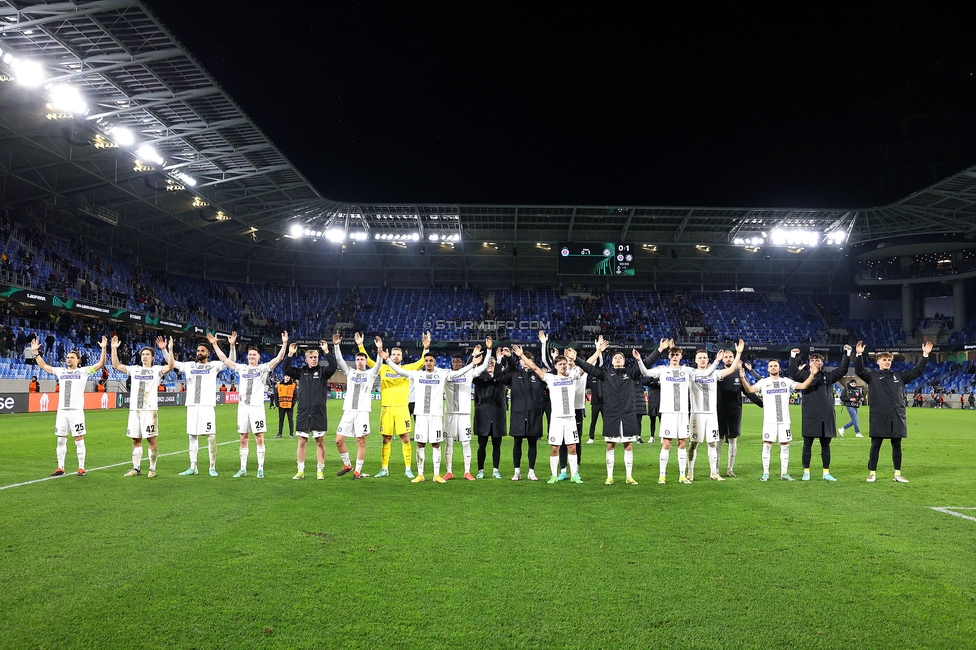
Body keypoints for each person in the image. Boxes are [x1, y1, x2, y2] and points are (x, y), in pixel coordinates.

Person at [382, 347, 487, 483]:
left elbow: (457, 373)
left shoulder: (442, 374)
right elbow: (401, 371)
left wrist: (472, 364)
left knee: (436, 444)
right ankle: (420, 474)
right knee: (420, 443)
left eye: (431, 360)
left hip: (436, 416)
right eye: (426, 360)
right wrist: (388, 360)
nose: (428, 363)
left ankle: (436, 474)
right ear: (424, 362)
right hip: (421, 416)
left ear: (435, 362)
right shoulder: (417, 374)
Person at [210, 332, 288, 478]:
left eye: (254, 355)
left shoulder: (263, 368)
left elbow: (279, 358)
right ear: (247, 357)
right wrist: (215, 344)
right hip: (243, 408)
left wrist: (284, 343)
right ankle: (243, 469)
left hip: (256, 408)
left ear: (259, 357)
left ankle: (260, 468)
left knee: (259, 437)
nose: (252, 357)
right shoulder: (242, 368)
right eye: (250, 355)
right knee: (243, 438)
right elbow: (225, 360)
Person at [854, 340, 931, 483]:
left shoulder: (899, 376)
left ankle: (897, 474)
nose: (887, 362)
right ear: (878, 362)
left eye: (889, 360)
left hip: (896, 416)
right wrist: (859, 354)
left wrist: (925, 355)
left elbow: (917, 371)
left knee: (897, 446)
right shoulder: (872, 376)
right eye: (884, 360)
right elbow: (859, 371)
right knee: (875, 445)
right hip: (879, 417)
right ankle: (872, 473)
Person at [357, 332, 431, 478]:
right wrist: (360, 345)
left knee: (405, 437)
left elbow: (422, 362)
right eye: (393, 354)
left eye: (398, 355)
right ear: (389, 356)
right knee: (386, 439)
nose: (396, 356)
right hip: (387, 408)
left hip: (402, 408)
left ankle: (408, 469)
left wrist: (426, 347)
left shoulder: (408, 369)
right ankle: (384, 469)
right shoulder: (383, 369)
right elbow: (369, 362)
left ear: (402, 358)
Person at [32, 336, 107, 476]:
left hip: (76, 411)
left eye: (72, 357)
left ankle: (81, 467)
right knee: (61, 439)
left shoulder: (83, 371)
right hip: (62, 411)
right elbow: (43, 366)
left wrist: (103, 348)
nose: (68, 359)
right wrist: (36, 352)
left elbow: (101, 364)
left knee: (78, 439)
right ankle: (60, 467)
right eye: (67, 357)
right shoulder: (61, 371)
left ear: (78, 360)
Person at [576, 336, 644, 485]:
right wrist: (576, 359)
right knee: (610, 445)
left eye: (620, 358)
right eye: (615, 358)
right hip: (612, 415)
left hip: (628, 414)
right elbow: (589, 368)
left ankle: (629, 476)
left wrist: (657, 351)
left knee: (628, 445)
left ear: (624, 361)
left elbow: (648, 364)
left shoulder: (631, 372)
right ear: (611, 361)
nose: (618, 359)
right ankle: (610, 476)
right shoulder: (605, 374)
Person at [513, 345, 583, 484]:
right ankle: (553, 475)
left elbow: (586, 367)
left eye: (565, 364)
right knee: (555, 447)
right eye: (560, 364)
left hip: (570, 418)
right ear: (556, 366)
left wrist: (598, 351)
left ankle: (574, 474)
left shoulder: (572, 377)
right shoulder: (550, 378)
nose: (563, 366)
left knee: (572, 447)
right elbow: (534, 368)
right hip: (556, 419)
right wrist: (522, 356)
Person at [168, 333, 235, 477]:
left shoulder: (213, 365)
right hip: (192, 405)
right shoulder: (189, 366)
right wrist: (167, 349)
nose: (199, 353)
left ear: (208, 354)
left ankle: (212, 467)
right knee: (192, 436)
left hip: (207, 406)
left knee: (211, 436)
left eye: (202, 351)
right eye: (198, 351)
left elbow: (231, 361)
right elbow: (172, 364)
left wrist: (231, 346)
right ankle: (193, 467)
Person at [739, 358, 815, 481]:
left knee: (785, 446)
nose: (773, 367)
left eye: (775, 365)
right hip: (769, 421)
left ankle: (784, 473)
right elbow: (749, 390)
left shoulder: (786, 381)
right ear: (768, 369)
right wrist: (743, 378)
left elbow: (804, 385)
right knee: (767, 445)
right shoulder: (763, 382)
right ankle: (765, 473)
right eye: (771, 366)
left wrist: (812, 374)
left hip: (784, 420)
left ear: (779, 368)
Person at [111, 335, 175, 478]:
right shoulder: (134, 369)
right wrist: (114, 348)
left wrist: (169, 349)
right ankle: (136, 468)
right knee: (136, 439)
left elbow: (171, 366)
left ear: (152, 357)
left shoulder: (157, 370)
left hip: (149, 409)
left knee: (151, 440)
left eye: (147, 355)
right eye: (143, 354)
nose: (145, 357)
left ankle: (152, 468)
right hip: (135, 410)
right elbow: (116, 365)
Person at [788, 346, 852, 481]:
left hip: (826, 416)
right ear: (809, 363)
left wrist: (847, 354)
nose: (815, 361)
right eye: (812, 359)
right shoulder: (804, 376)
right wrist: (793, 356)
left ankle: (826, 473)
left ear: (822, 363)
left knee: (825, 445)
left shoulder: (827, 376)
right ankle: (806, 472)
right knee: (807, 445)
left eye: (817, 359)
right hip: (810, 415)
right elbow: (793, 373)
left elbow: (842, 370)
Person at [688, 340, 745, 482]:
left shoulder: (715, 373)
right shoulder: (690, 373)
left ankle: (713, 472)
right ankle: (689, 472)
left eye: (704, 357)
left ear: (708, 360)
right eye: (700, 358)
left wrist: (738, 353)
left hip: (712, 415)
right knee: (693, 444)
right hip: (696, 414)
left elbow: (731, 370)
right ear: (695, 360)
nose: (702, 360)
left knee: (712, 443)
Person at [331, 333, 385, 479]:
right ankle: (347, 464)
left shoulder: (370, 374)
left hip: (362, 412)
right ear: (355, 361)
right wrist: (336, 346)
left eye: (362, 359)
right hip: (348, 411)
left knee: (361, 441)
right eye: (358, 359)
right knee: (338, 440)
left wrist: (379, 349)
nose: (360, 361)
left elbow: (379, 364)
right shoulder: (350, 372)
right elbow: (340, 360)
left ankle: (358, 471)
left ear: (366, 361)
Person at [283, 339, 337, 480]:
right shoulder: (301, 372)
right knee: (301, 441)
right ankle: (300, 471)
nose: (313, 359)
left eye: (315, 357)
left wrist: (326, 351)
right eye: (311, 357)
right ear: (306, 359)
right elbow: (286, 369)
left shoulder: (323, 372)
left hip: (318, 412)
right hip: (304, 412)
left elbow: (333, 366)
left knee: (319, 441)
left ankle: (320, 470)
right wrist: (289, 354)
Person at [443, 339, 492, 480]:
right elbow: (459, 372)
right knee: (449, 442)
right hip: (450, 414)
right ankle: (449, 471)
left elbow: (483, 367)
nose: (456, 364)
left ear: (462, 363)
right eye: (454, 362)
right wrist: (472, 362)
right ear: (451, 364)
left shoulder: (468, 374)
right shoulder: (447, 375)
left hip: (464, 415)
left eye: (459, 362)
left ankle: (467, 471)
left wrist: (488, 351)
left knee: (466, 442)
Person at [501, 343, 546, 481]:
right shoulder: (514, 374)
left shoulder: (538, 374)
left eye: (528, 360)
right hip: (518, 414)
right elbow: (503, 375)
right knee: (517, 443)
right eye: (523, 360)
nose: (525, 363)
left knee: (532, 443)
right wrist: (509, 357)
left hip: (534, 414)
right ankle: (517, 471)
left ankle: (531, 471)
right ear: (520, 361)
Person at [716, 352, 763, 477]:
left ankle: (730, 469)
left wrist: (762, 404)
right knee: (718, 440)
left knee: (732, 440)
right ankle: (715, 468)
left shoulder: (740, 374)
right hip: (719, 411)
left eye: (730, 356)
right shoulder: (717, 373)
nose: (728, 359)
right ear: (722, 359)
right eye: (725, 357)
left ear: (734, 358)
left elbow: (749, 392)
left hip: (734, 412)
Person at [472, 346, 509, 478]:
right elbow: (469, 372)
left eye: (493, 363)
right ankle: (480, 470)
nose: (491, 365)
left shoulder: (501, 376)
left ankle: (495, 469)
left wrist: (500, 360)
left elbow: (506, 373)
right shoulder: (479, 376)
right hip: (483, 414)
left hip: (498, 414)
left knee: (496, 444)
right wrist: (474, 357)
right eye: (489, 363)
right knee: (481, 444)